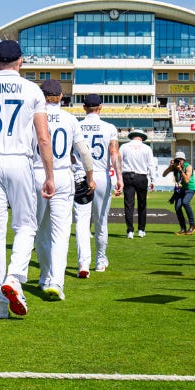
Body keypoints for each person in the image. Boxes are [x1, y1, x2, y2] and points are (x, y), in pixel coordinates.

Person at [0, 40, 54, 319]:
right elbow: (43, 138)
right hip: (19, 160)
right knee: (26, 226)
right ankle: (14, 277)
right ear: (21, 62)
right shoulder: (32, 90)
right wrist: (50, 175)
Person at [34, 79, 93, 301]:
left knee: (39, 230)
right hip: (61, 174)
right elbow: (84, 152)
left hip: (37, 173)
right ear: (60, 97)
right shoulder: (70, 119)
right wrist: (90, 176)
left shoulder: (33, 116)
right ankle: (56, 282)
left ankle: (44, 276)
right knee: (60, 233)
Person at [74, 93, 121, 277]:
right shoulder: (109, 127)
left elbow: (71, 153)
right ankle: (100, 260)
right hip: (102, 175)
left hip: (81, 175)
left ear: (84, 107)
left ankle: (83, 264)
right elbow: (114, 153)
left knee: (82, 223)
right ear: (100, 107)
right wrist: (119, 177)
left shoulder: (76, 125)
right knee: (101, 222)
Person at [118, 129, 154, 243]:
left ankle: (130, 231)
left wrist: (118, 179)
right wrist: (153, 180)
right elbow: (151, 165)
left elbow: (118, 163)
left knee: (129, 205)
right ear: (142, 138)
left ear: (132, 136)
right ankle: (141, 230)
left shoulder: (124, 147)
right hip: (142, 177)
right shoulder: (147, 148)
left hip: (127, 176)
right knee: (142, 204)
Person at [161, 151, 195, 235]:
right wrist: (170, 167)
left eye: (180, 160)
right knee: (177, 207)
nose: (179, 161)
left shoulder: (188, 167)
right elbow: (163, 175)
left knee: (185, 202)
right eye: (177, 160)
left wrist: (180, 170)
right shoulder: (174, 167)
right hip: (181, 189)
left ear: (184, 160)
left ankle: (192, 225)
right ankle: (183, 228)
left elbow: (187, 180)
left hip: (190, 188)